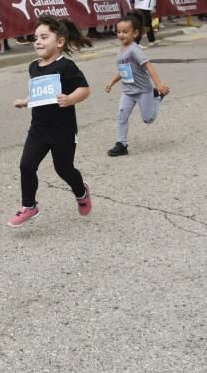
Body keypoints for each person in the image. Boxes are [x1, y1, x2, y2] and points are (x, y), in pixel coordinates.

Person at [9, 15, 93, 227]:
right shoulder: (34, 67)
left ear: (60, 42)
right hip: (38, 129)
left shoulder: (66, 66)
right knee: (26, 165)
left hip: (63, 130)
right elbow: (39, 94)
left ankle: (81, 192)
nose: (37, 41)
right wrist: (25, 101)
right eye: (35, 37)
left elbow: (84, 89)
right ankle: (29, 206)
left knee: (63, 169)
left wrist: (70, 98)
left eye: (44, 37)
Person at [104, 14, 170, 157]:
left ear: (135, 33)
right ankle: (122, 144)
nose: (121, 35)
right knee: (122, 115)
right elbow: (123, 70)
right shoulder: (121, 50)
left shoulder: (135, 50)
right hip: (128, 91)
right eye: (118, 32)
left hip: (142, 90)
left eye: (125, 32)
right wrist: (112, 82)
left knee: (148, 119)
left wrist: (158, 84)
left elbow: (148, 66)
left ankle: (157, 97)